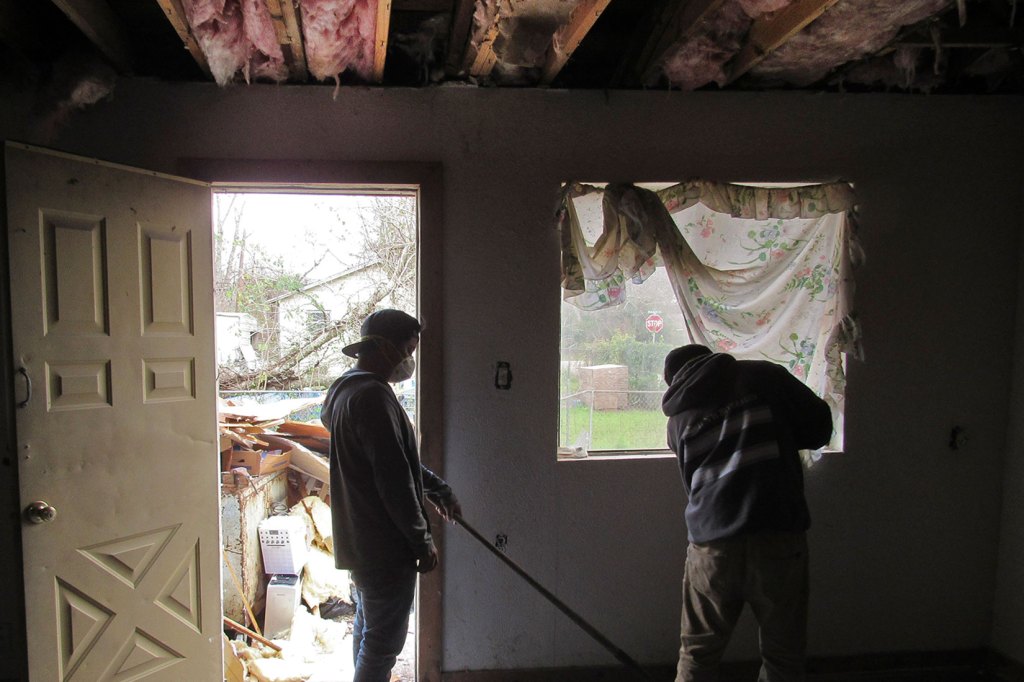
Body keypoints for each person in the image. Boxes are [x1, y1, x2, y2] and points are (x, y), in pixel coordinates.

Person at [662, 344, 833, 682]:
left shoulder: (677, 421)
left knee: (698, 655)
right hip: (778, 537)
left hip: (712, 547)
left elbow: (693, 486)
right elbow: (819, 428)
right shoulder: (763, 376)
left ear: (674, 381)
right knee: (783, 656)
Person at [321, 308, 461, 682]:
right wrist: (421, 540)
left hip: (361, 542)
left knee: (369, 629)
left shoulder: (345, 391)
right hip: (384, 546)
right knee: (383, 643)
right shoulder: (373, 399)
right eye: (407, 350)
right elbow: (394, 481)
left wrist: (438, 489)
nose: (408, 361)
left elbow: (398, 462)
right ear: (384, 348)